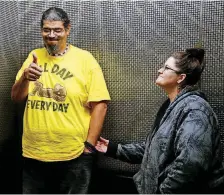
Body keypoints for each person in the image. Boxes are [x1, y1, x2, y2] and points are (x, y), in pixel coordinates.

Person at [96, 48, 224, 194]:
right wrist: (113, 149)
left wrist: (162, 192)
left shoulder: (195, 110)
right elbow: (155, 149)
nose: (159, 70)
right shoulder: (171, 106)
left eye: (166, 68)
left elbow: (190, 165)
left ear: (180, 78)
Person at [11, 7, 110, 194]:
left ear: (67, 29)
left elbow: (101, 105)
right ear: (41, 30)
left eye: (57, 30)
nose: (51, 35)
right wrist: (25, 77)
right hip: (34, 153)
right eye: (46, 30)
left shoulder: (85, 60)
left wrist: (89, 146)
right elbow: (16, 98)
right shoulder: (34, 57)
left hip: (74, 155)